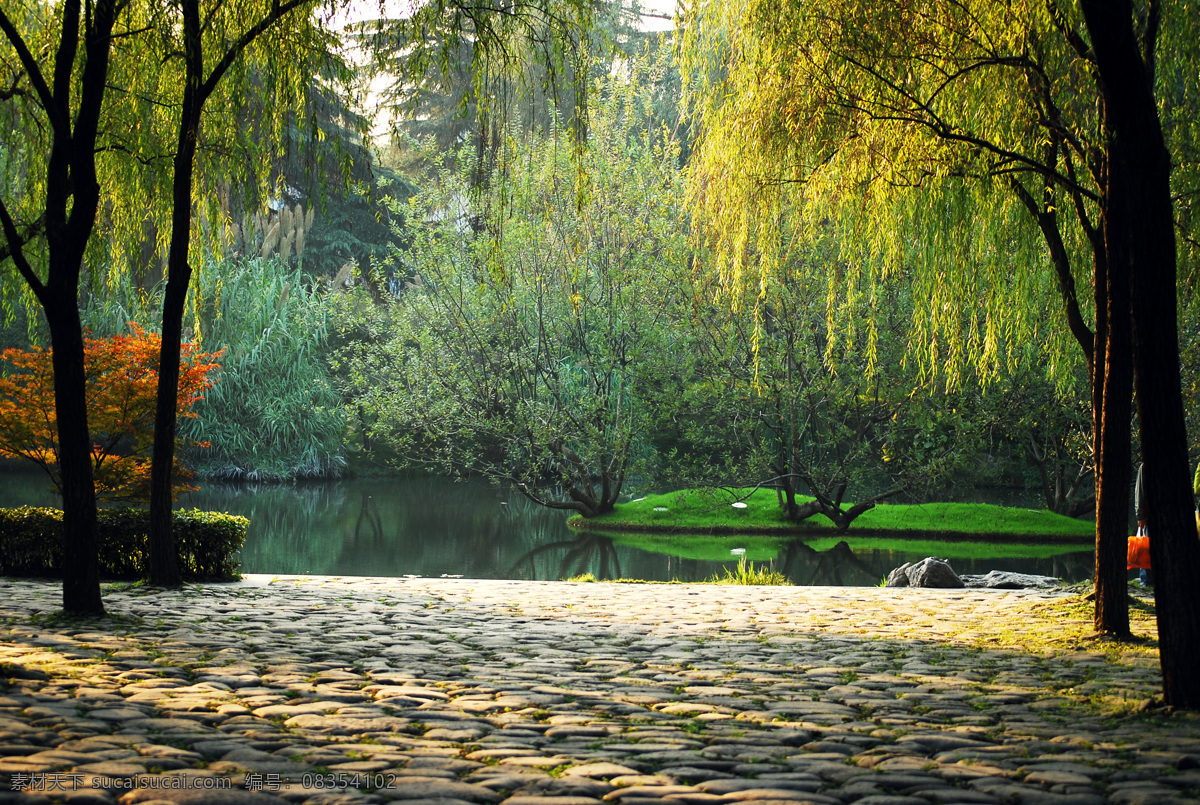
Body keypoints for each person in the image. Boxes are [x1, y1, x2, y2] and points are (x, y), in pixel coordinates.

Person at [1135, 463, 1153, 586]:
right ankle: (1145, 581)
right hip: (1148, 515)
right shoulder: (1145, 466)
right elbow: (1139, 492)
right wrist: (1140, 515)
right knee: (1146, 547)